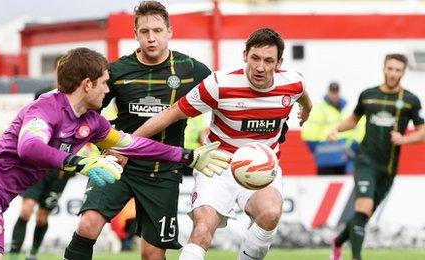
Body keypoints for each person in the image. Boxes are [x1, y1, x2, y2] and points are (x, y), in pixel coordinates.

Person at [0, 47, 226, 260]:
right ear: (87, 83)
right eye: (104, 82)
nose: (108, 88)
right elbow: (28, 147)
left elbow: (133, 144)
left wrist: (187, 156)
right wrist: (80, 163)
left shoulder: (91, 122)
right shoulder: (45, 109)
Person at [134, 28, 313, 260]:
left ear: (279, 62)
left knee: (270, 214)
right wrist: (130, 143)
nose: (260, 67)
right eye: (255, 58)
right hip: (218, 166)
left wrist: (306, 111)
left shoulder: (293, 83)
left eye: (268, 61)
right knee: (202, 230)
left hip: (262, 168)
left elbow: (303, 96)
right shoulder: (219, 84)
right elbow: (172, 113)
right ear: (245, 55)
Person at [63, 1, 212, 260]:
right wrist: (102, 148)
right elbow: (89, 114)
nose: (151, 38)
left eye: (157, 30)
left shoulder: (192, 70)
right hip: (119, 165)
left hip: (163, 171)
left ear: (169, 31)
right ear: (135, 34)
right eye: (144, 32)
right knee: (87, 225)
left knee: (152, 255)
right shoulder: (116, 71)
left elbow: (223, 98)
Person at [327, 53, 425, 260]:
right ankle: (356, 257)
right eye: (390, 68)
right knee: (363, 207)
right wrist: (336, 128)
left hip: (388, 168)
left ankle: (337, 242)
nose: (393, 73)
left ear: (403, 72)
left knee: (363, 216)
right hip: (365, 161)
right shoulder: (368, 95)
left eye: (398, 70)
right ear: (384, 69)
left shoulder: (410, 100)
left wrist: (405, 139)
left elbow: (422, 131)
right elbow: (353, 120)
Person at [9, 55, 74, 260]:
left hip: (60, 170)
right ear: (55, 72)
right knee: (26, 210)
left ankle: (33, 255)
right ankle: (13, 255)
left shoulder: (77, 99)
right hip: (38, 165)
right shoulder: (42, 95)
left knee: (42, 217)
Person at [301, 82, 363, 175]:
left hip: (342, 159)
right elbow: (309, 134)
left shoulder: (346, 108)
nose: (334, 95)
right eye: (332, 92)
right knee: (324, 184)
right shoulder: (320, 109)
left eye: (336, 92)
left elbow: (355, 129)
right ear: (328, 92)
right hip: (325, 159)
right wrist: (317, 152)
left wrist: (350, 150)